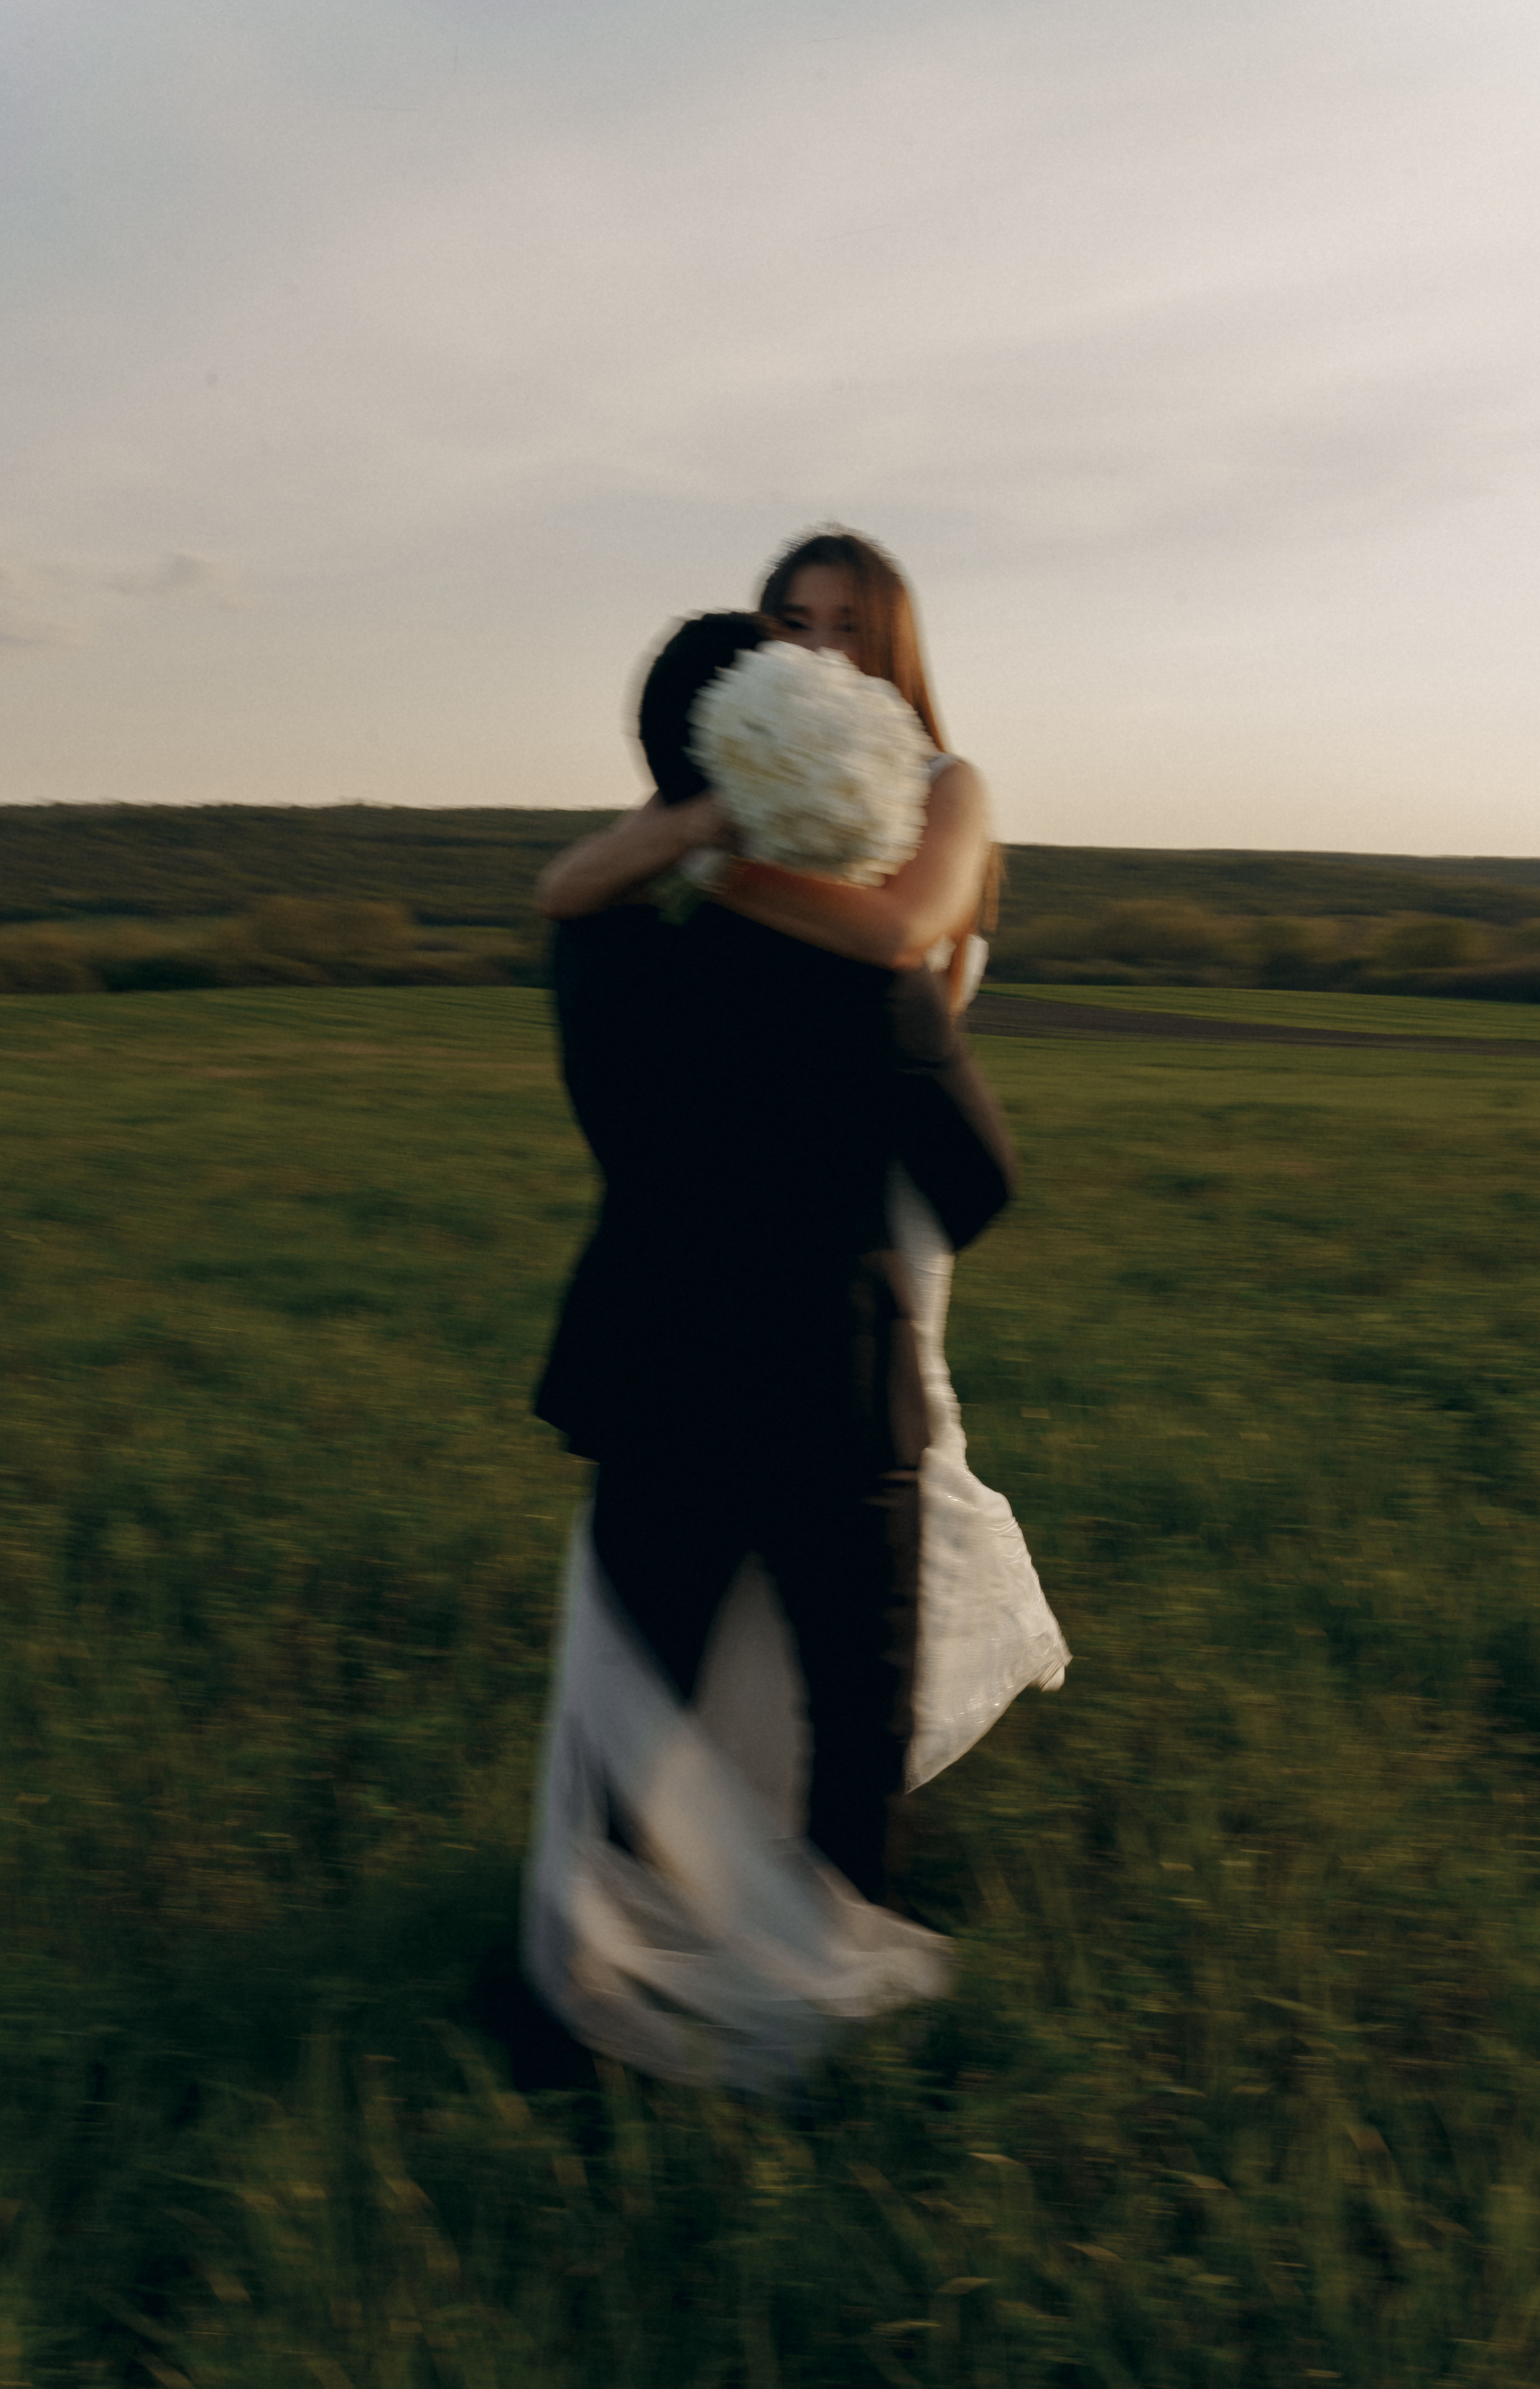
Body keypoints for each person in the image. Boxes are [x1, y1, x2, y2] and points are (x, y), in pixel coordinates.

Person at [525, 531, 1068, 2092]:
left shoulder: (641, 922)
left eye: (848, 627)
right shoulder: (790, 924)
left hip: (691, 1307)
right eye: (794, 625)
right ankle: (818, 1930)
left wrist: (708, 849)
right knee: (850, 1637)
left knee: (680, 1628)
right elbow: (971, 1166)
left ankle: (628, 1940)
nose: (822, 652)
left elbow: (892, 927)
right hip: (838, 1287)